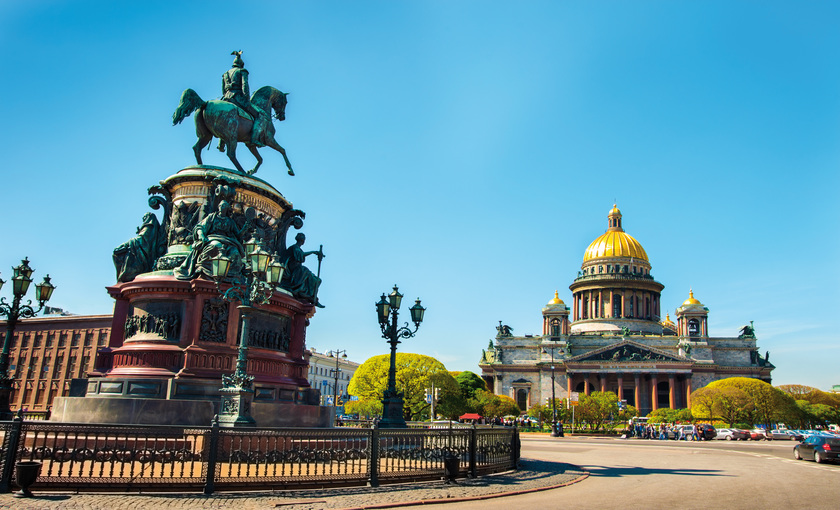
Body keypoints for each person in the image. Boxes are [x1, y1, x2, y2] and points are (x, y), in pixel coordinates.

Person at [174, 200, 247, 280]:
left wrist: (244, 229)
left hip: (227, 241)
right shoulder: (212, 217)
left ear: (226, 209)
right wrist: (201, 235)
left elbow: (237, 235)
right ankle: (202, 266)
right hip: (213, 238)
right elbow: (200, 227)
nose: (221, 207)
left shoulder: (230, 221)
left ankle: (230, 275)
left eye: (223, 206)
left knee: (235, 252)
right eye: (220, 206)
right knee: (216, 246)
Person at [221, 50, 270, 148]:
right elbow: (245, 85)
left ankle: (221, 144)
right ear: (241, 65)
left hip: (226, 97)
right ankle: (254, 139)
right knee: (260, 115)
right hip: (238, 97)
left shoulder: (225, 74)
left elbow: (223, 89)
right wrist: (246, 97)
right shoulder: (242, 71)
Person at [283, 233, 324, 307]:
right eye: (303, 239)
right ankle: (309, 296)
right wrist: (312, 252)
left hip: (299, 269)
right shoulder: (294, 247)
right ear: (302, 240)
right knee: (310, 276)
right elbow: (300, 256)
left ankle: (313, 298)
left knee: (317, 280)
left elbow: (301, 255)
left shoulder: (298, 248)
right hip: (295, 269)